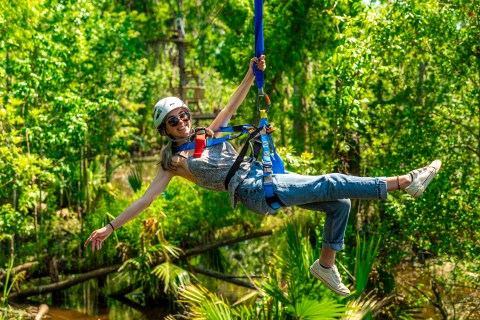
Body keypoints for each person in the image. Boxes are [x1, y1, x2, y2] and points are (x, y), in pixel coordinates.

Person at [84, 55, 441, 296]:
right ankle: (405, 182)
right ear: (166, 131)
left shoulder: (209, 134)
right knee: (330, 180)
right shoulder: (173, 163)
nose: (182, 122)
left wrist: (252, 73)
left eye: (184, 115)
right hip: (253, 190)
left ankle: (325, 265)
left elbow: (231, 105)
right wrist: (110, 227)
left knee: (339, 203)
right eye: (173, 121)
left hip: (264, 176)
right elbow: (146, 199)